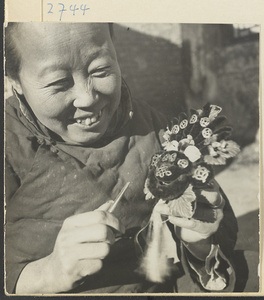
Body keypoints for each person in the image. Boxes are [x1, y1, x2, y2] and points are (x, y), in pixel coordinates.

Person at [4, 22, 238, 294]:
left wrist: (199, 240)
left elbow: (221, 238)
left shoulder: (153, 128)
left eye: (101, 70)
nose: (87, 98)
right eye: (58, 83)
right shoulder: (10, 145)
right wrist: (47, 273)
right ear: (16, 82)